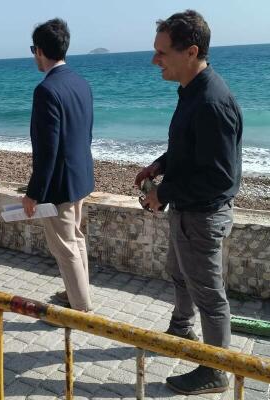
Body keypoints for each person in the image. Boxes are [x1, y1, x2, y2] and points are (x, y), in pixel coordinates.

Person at [135, 10, 242, 395]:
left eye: (161, 53)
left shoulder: (212, 102)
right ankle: (181, 328)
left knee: (210, 297)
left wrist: (162, 193)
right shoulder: (192, 93)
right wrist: (159, 165)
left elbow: (219, 177)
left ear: (191, 51)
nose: (154, 60)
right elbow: (188, 150)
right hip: (187, 212)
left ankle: (216, 370)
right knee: (179, 274)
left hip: (203, 216)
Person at [22, 18, 95, 313]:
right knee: (76, 239)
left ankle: (81, 309)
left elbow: (47, 151)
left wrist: (33, 193)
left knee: (65, 248)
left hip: (60, 185)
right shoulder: (80, 82)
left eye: (33, 50)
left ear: (40, 51)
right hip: (80, 177)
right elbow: (86, 133)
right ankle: (77, 293)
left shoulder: (46, 90)